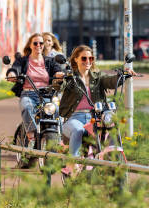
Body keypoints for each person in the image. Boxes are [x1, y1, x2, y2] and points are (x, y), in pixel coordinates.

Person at [58, 45, 135, 176]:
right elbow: (61, 85)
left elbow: (110, 81)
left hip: (96, 116)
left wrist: (123, 74)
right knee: (78, 130)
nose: (88, 61)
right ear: (76, 59)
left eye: (90, 58)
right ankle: (72, 163)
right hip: (75, 118)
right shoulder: (70, 77)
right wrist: (60, 79)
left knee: (111, 125)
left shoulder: (97, 77)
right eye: (84, 58)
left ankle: (112, 157)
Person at [7, 33, 64, 147]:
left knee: (58, 110)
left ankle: (60, 139)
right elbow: (15, 69)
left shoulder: (50, 61)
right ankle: (31, 136)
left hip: (47, 95)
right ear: (30, 45)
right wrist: (12, 74)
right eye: (35, 43)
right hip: (28, 93)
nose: (38, 45)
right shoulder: (23, 60)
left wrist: (59, 74)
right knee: (27, 108)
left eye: (41, 43)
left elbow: (57, 70)